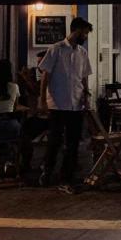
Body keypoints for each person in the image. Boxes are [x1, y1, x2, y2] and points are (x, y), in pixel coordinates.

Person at [39, 16, 93, 193]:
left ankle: (67, 176)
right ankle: (47, 171)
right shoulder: (56, 49)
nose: (85, 37)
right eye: (84, 33)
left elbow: (83, 77)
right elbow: (45, 76)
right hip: (57, 103)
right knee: (54, 140)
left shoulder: (83, 53)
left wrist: (86, 95)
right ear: (76, 31)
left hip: (75, 104)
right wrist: (42, 100)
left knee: (73, 142)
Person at [18, 51, 49, 172]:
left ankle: (25, 165)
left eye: (41, 62)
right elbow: (34, 90)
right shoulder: (42, 78)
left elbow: (37, 90)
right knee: (23, 129)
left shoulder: (50, 77)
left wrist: (26, 79)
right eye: (38, 63)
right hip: (41, 117)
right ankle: (25, 163)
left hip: (49, 118)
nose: (38, 66)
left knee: (23, 131)